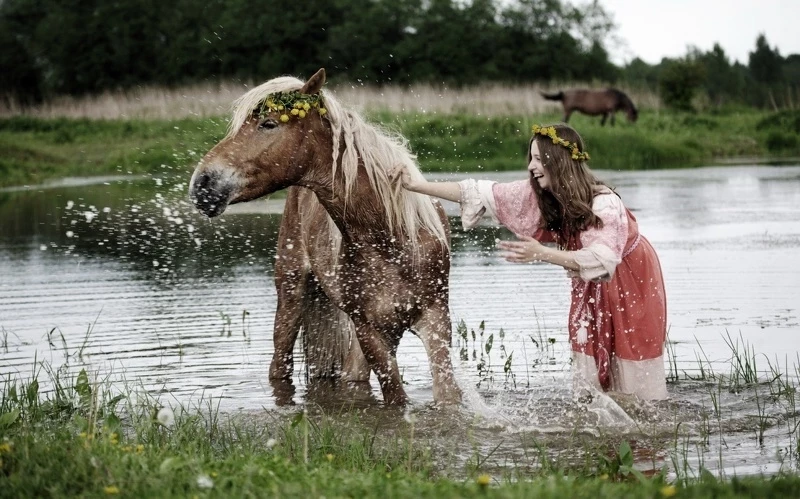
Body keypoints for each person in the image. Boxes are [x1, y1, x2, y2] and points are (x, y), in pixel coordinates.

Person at [391, 123, 668, 400]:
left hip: (630, 274)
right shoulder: (541, 193)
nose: (531, 167)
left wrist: (541, 253)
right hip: (586, 277)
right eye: (531, 158)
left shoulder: (604, 203)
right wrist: (416, 185)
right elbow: (478, 192)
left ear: (557, 162)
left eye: (539, 159)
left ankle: (641, 415)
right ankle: (597, 409)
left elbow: (602, 261)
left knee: (631, 355)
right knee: (587, 350)